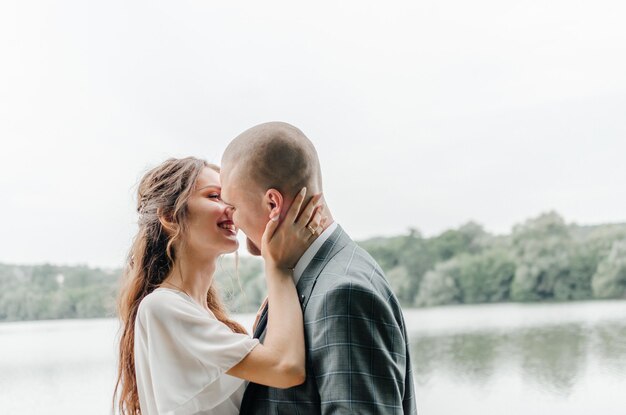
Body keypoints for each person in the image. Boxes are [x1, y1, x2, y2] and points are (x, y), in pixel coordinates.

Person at [220, 122, 418, 414]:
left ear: (273, 204)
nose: (232, 221)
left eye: (233, 207)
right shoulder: (313, 277)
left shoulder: (343, 293)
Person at [114, 157, 325, 415]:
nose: (231, 208)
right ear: (170, 217)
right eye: (214, 196)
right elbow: (285, 369)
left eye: (229, 198)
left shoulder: (204, 316)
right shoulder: (162, 307)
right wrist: (277, 267)